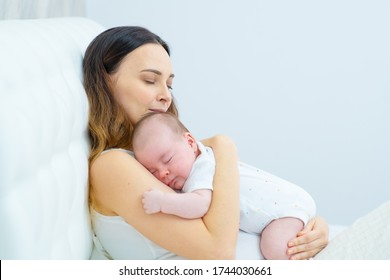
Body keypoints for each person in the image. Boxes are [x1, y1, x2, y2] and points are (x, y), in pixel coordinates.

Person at [83, 25, 329, 260]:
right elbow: (218, 252)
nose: (166, 96)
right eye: (149, 80)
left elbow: (243, 204)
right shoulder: (112, 165)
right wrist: (224, 146)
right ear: (105, 81)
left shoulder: (161, 157)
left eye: (169, 85)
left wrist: (305, 225)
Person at [131, 111, 317, 259]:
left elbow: (199, 205)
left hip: (283, 210)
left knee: (275, 248)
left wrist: (163, 202)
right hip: (288, 202)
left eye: (168, 159)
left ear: (190, 143)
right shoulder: (198, 166)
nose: (163, 173)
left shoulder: (202, 167)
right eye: (152, 172)